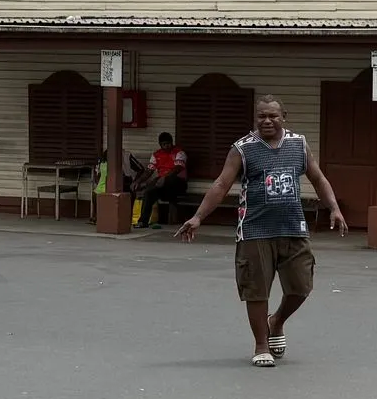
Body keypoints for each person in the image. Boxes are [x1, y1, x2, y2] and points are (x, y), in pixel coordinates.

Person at [175, 97, 348, 367]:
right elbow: (221, 184)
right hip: (255, 229)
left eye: (273, 116)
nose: (267, 121)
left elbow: (318, 178)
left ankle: (276, 321)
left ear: (283, 117)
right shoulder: (242, 149)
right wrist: (198, 217)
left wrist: (334, 208)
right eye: (262, 116)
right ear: (256, 119)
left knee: (302, 285)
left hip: (293, 227)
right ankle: (260, 344)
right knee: (256, 290)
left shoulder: (298, 144)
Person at [135, 132, 189, 229]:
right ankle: (143, 221)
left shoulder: (179, 153)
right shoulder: (156, 154)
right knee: (148, 193)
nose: (166, 146)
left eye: (168, 143)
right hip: (162, 186)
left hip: (177, 184)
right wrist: (138, 181)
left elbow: (178, 168)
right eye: (164, 144)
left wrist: (164, 178)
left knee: (168, 179)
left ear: (172, 143)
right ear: (160, 144)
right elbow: (149, 171)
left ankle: (153, 185)